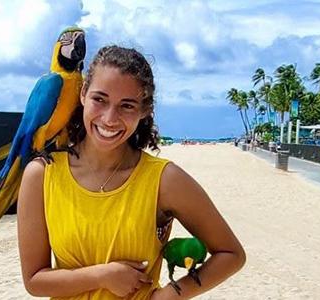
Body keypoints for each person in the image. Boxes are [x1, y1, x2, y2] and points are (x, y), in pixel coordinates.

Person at [17, 45, 245, 299]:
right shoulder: (41, 175)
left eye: (126, 106)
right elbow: (34, 280)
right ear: (83, 94)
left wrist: (168, 295)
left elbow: (231, 253)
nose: (110, 118)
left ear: (144, 110)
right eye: (99, 99)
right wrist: (102, 275)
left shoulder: (163, 180)